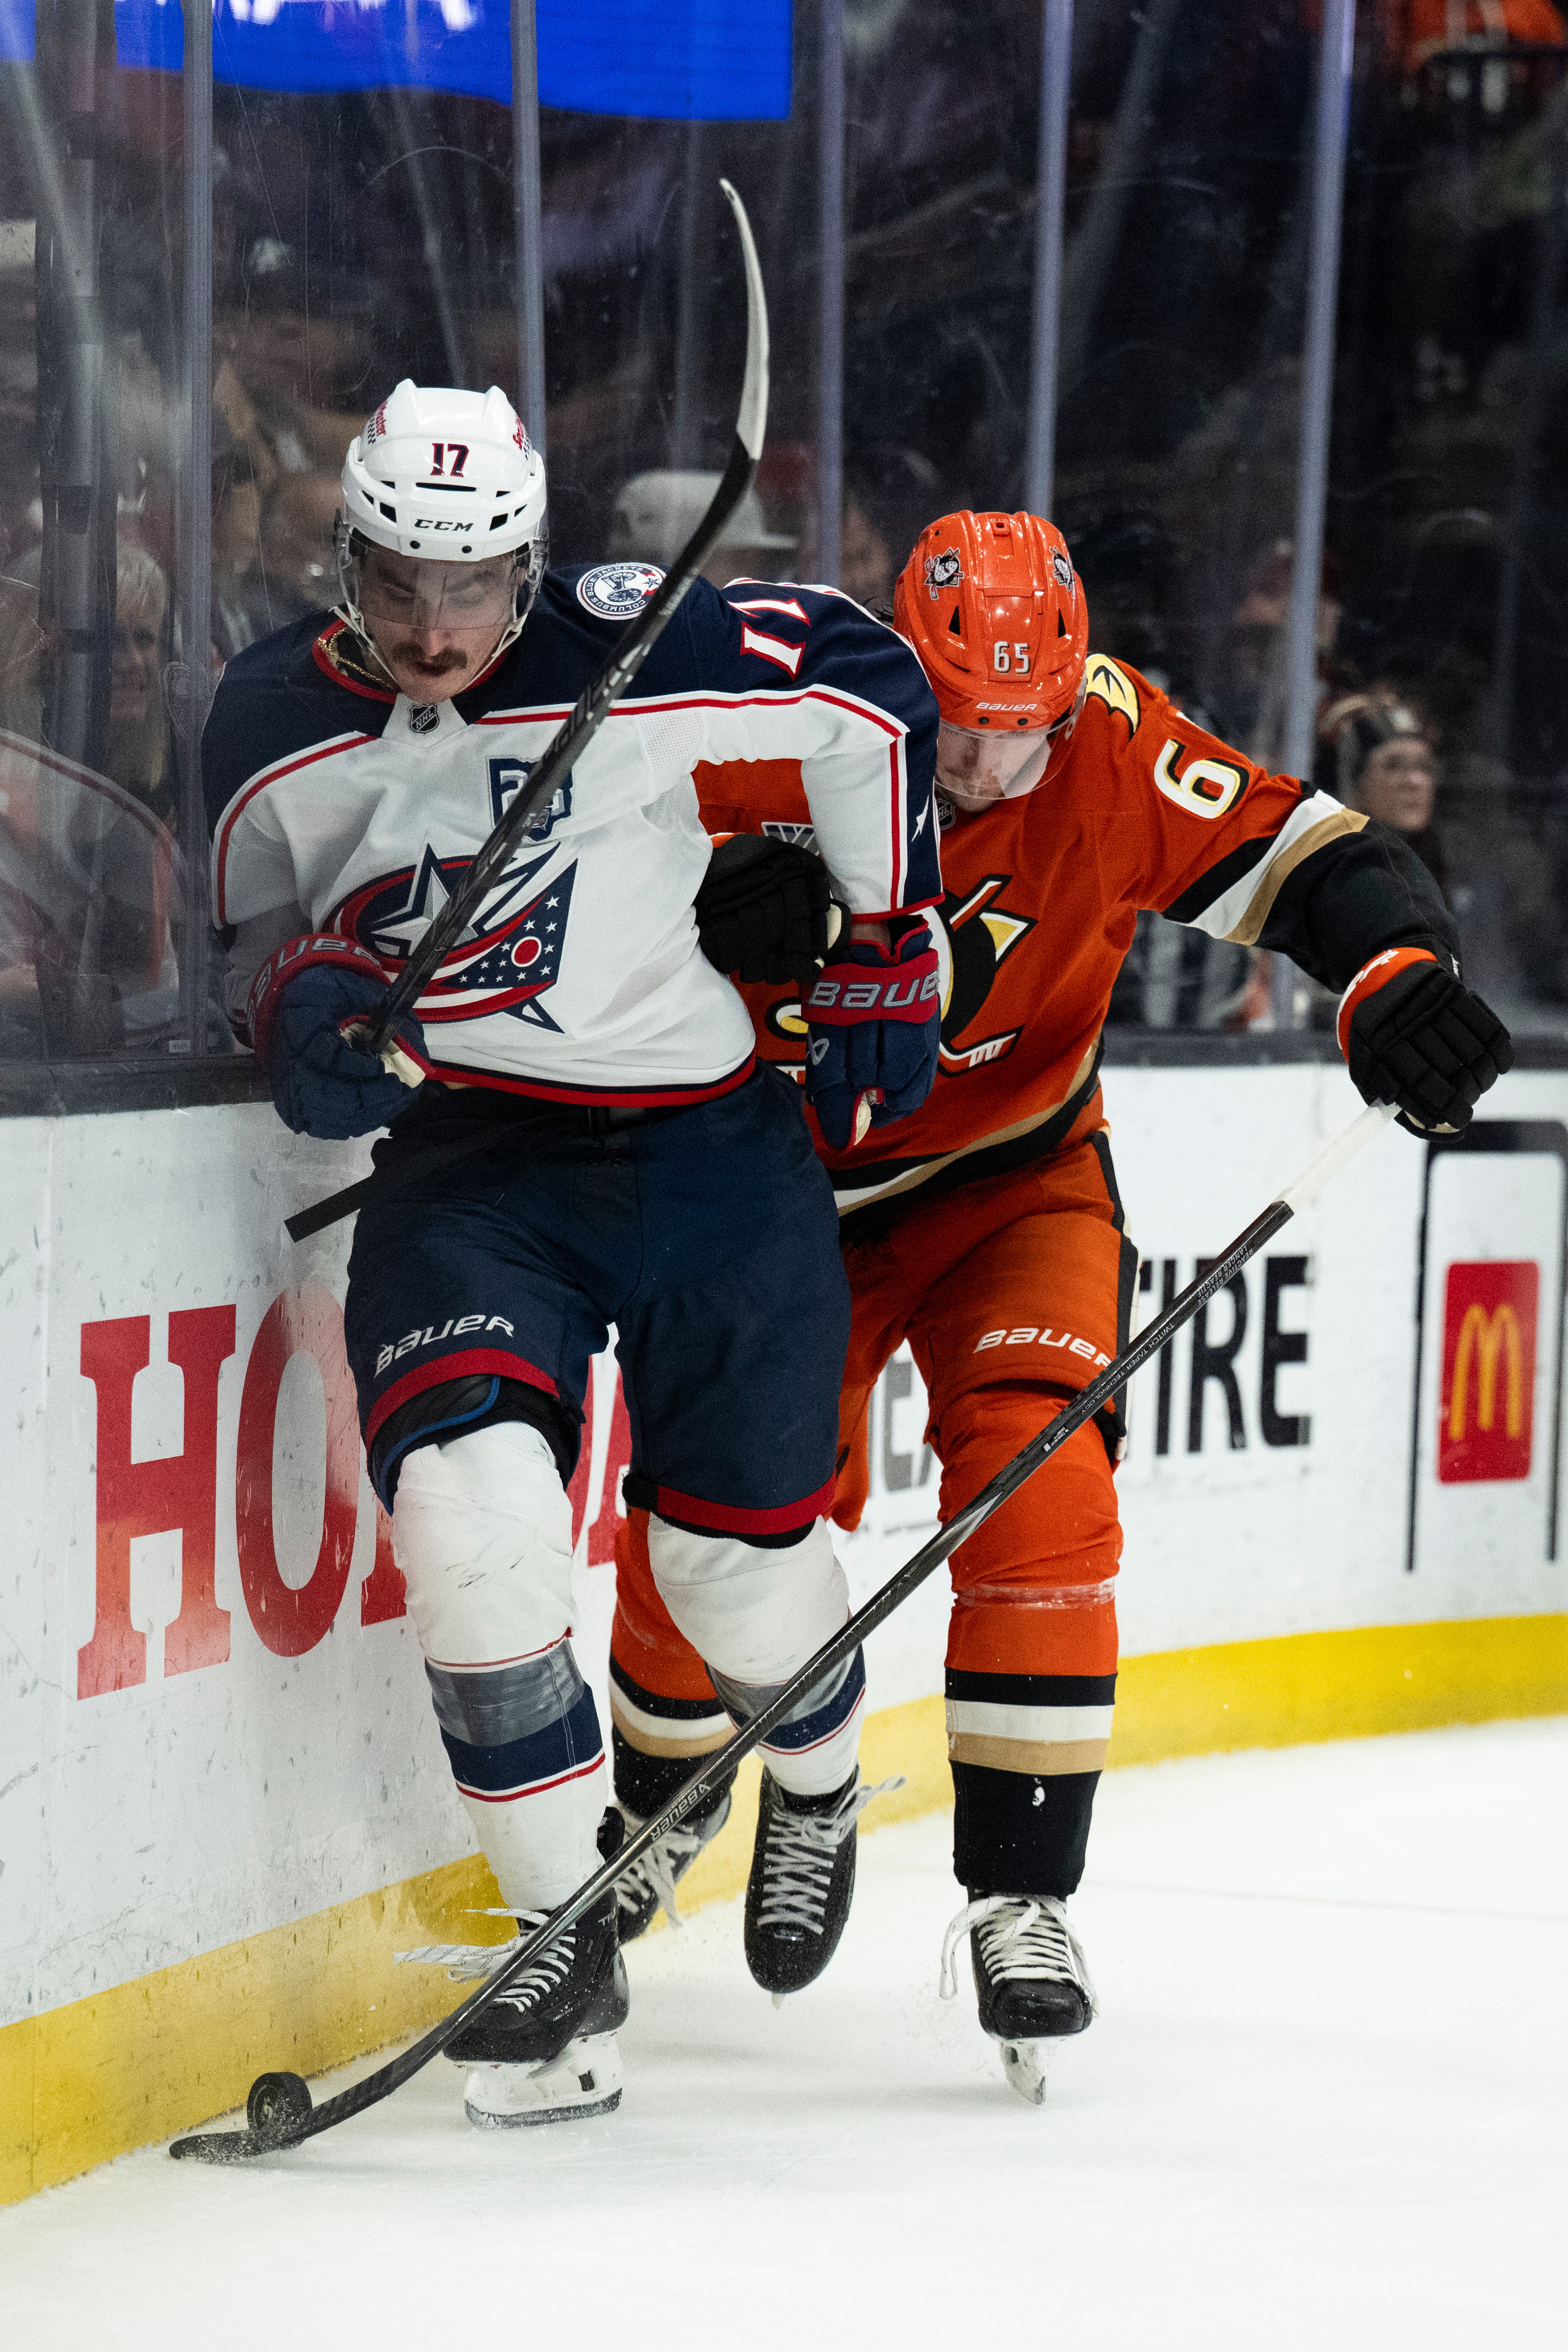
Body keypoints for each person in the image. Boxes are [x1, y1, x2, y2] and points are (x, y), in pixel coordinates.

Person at [608, 506, 1514, 2103]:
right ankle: (638, 1834)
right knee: (718, 1522)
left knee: (1045, 1490)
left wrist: (1397, 979)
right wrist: (697, 897)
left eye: (1019, 729)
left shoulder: (1110, 741)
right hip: (772, 1197)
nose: (985, 764)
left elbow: (1319, 862)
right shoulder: (784, 715)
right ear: (907, 668)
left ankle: (1019, 1898)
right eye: (957, 725)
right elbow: (583, 860)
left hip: (1012, 1183)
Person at [203, 381, 943, 2128]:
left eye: (473, 587)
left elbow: (868, 691)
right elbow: (226, 945)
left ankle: (817, 1777)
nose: (437, 628)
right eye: (399, 584)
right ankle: (564, 1932)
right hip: (477, 1163)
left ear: (532, 562)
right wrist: (292, 1004)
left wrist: (886, 936)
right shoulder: (265, 720)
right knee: (468, 1522)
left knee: (726, 1572)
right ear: (350, 557)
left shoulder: (639, 641)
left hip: (710, 1150)